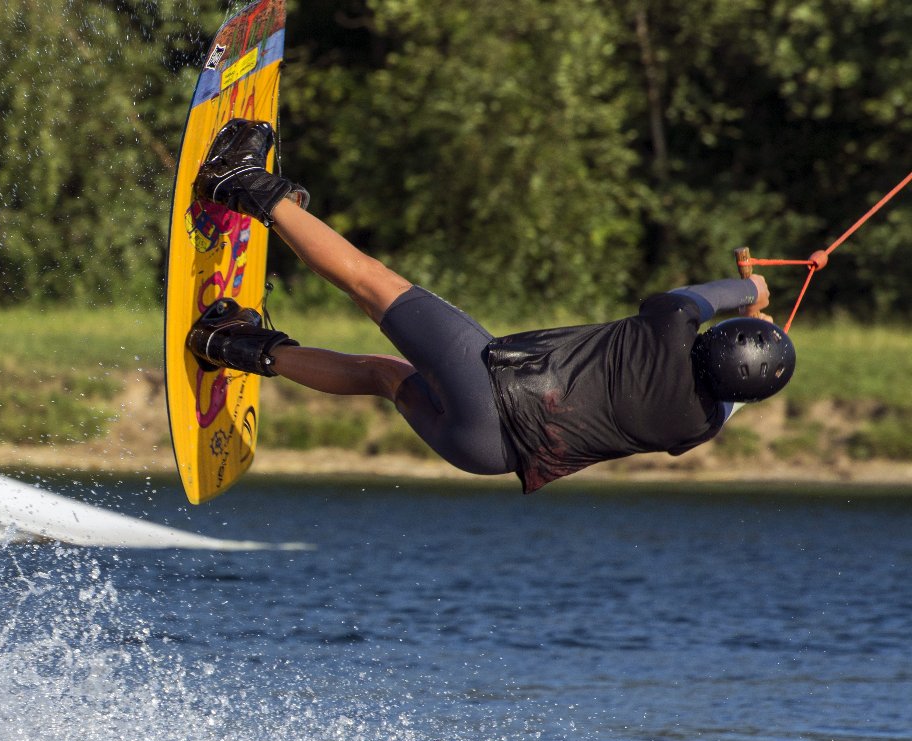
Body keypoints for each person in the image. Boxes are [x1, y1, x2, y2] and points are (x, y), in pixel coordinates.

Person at [187, 119, 796, 493]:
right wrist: (753, 338)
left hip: (489, 388)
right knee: (383, 375)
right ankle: (230, 345)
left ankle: (238, 182)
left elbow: (696, 299)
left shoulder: (669, 327)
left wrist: (752, 295)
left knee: (372, 284)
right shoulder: (699, 428)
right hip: (487, 454)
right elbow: (733, 388)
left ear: (713, 340)